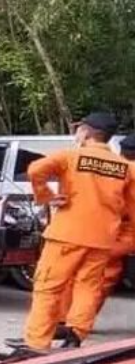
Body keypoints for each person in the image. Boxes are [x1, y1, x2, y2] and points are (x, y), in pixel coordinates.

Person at [24, 113, 135, 351]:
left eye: (79, 129)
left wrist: (46, 196)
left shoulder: (71, 156)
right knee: (88, 287)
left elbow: (35, 170)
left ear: (85, 132)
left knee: (48, 286)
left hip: (66, 236)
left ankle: (36, 343)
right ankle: (76, 334)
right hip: (103, 240)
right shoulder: (126, 168)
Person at [54, 133, 135, 325]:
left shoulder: (114, 170)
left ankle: (66, 321)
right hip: (117, 235)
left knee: (76, 276)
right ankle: (75, 323)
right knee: (97, 280)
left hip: (97, 231)